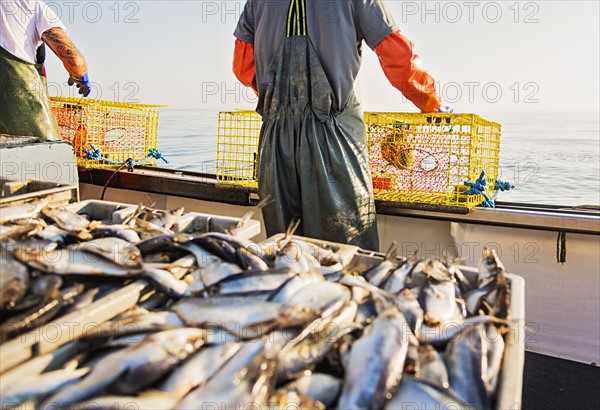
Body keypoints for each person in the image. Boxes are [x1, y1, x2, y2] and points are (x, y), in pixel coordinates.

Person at [233, 0, 447, 251]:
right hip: (335, 142)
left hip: (275, 144)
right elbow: (395, 53)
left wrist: (281, 104)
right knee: (345, 251)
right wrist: (430, 102)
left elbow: (242, 63)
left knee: (285, 250)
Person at [0, 0, 91, 141]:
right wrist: (80, 75)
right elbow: (74, 60)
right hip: (20, 110)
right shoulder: (31, 5)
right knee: (49, 155)